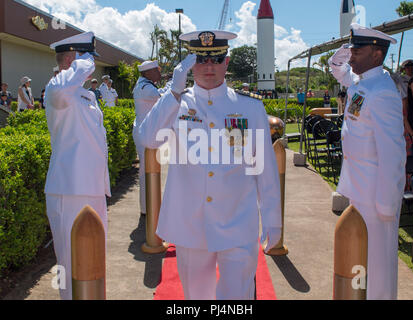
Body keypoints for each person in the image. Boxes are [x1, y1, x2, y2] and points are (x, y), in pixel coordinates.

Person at [134, 30, 282, 300]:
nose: (209, 67)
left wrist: (273, 219)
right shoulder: (176, 103)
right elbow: (148, 139)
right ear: (190, 66)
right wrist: (174, 91)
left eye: (216, 59)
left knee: (237, 298)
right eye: (201, 60)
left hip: (238, 221)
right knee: (196, 297)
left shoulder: (250, 108)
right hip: (192, 224)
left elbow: (264, 168)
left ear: (227, 62)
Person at [328, 23, 406, 300]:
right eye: (352, 49)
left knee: (378, 267)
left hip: (376, 197)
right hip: (359, 191)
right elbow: (339, 71)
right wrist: (339, 56)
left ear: (376, 53)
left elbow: (393, 153)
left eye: (357, 50)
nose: (352, 55)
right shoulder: (363, 82)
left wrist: (386, 203)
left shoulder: (382, 90)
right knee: (360, 262)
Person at [44, 31, 111, 300]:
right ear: (71, 59)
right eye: (87, 59)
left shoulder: (86, 96)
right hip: (69, 187)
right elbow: (61, 90)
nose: (91, 65)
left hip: (93, 186)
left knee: (93, 258)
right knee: (70, 262)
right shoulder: (56, 88)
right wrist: (80, 64)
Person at [132, 60, 166, 216]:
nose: (159, 73)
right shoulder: (145, 88)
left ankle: (150, 205)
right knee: (147, 171)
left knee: (150, 170)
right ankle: (147, 208)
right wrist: (174, 82)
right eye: (156, 71)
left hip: (146, 131)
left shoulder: (145, 85)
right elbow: (164, 98)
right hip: (145, 133)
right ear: (147, 73)